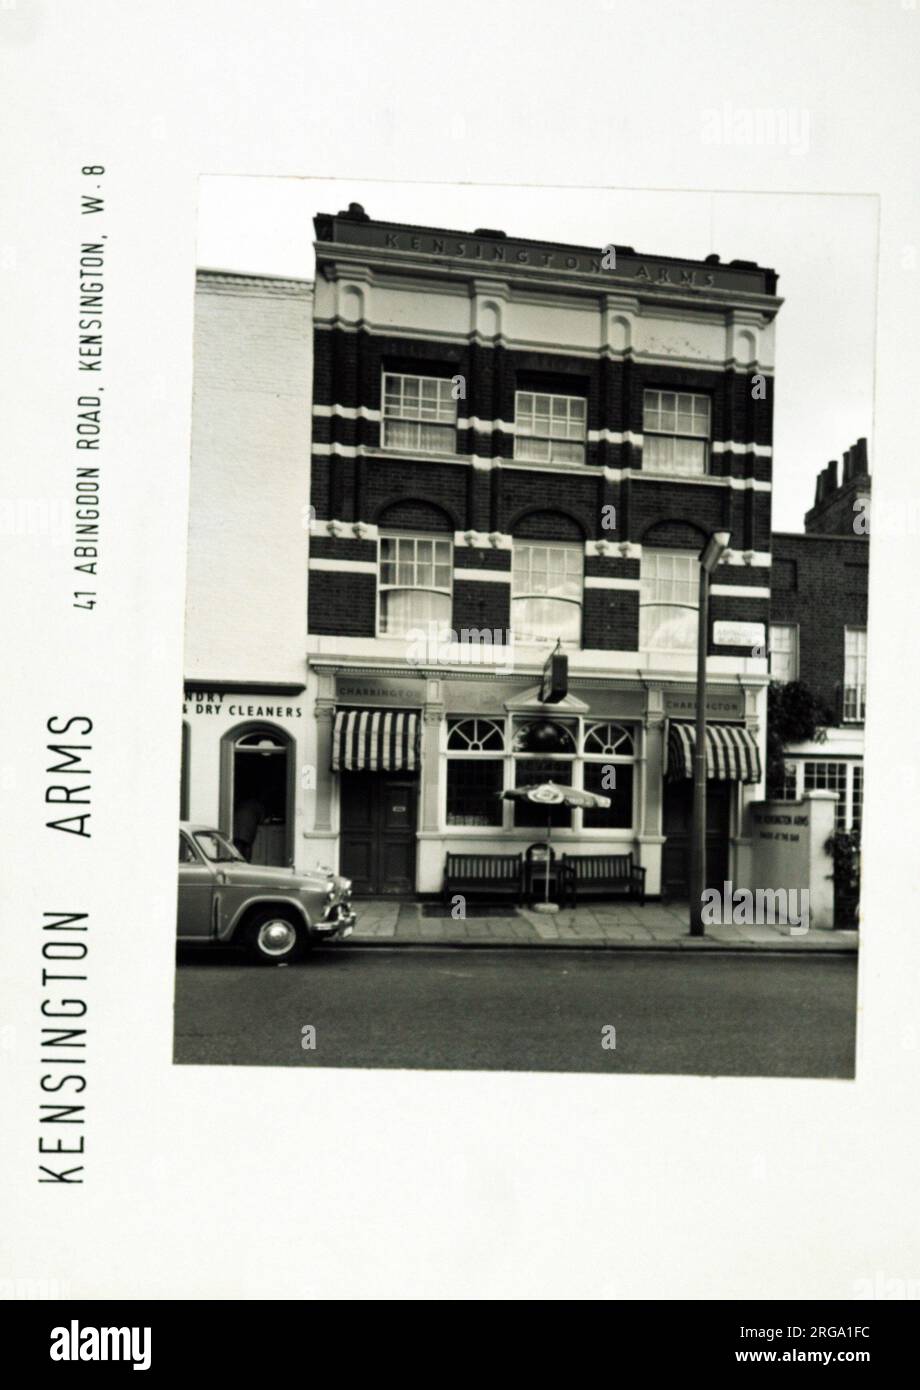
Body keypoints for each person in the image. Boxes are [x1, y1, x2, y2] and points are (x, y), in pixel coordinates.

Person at [233, 796, 265, 861]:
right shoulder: (257, 804)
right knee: (247, 845)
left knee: (238, 845)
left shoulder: (241, 802)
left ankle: (237, 861)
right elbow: (262, 819)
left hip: (236, 826)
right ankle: (247, 862)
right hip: (249, 827)